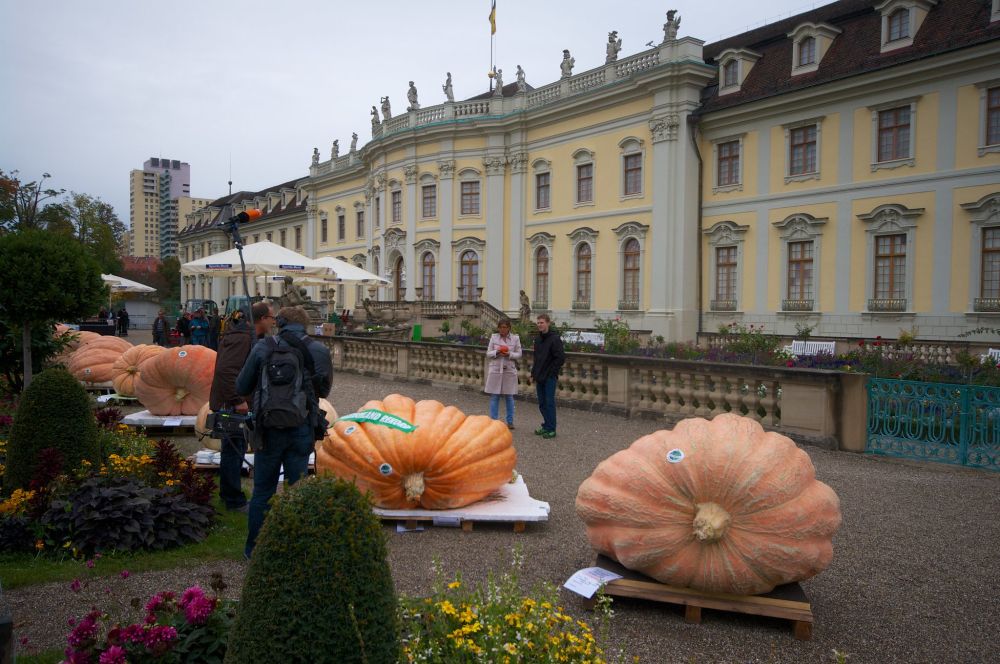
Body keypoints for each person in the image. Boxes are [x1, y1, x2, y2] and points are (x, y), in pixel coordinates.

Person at [236, 305, 333, 559]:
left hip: (267, 430)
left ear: (279, 322)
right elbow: (323, 391)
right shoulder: (318, 350)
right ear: (305, 324)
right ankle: (297, 551)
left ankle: (254, 551)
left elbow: (241, 384)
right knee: (297, 491)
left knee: (263, 491)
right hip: (301, 428)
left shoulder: (263, 347)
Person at [209, 302, 276, 513]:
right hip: (233, 405)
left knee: (234, 449)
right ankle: (232, 500)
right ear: (262, 319)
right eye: (271, 317)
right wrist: (238, 400)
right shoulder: (242, 338)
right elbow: (226, 371)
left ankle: (231, 496)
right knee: (233, 450)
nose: (273, 321)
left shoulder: (249, 337)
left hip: (238, 403)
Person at [531, 314, 564, 439]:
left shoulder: (555, 339)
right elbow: (537, 358)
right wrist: (533, 373)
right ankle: (546, 425)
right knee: (542, 403)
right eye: (538, 323)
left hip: (549, 377)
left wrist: (551, 372)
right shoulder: (538, 340)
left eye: (542, 322)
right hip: (539, 375)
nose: (540, 324)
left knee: (549, 403)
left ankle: (551, 428)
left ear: (548, 323)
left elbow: (560, 358)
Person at [485, 317, 522, 429]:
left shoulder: (515, 338)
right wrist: (497, 352)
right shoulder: (494, 337)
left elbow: (519, 354)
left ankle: (510, 421)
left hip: (509, 370)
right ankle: (493, 421)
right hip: (496, 369)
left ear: (509, 328)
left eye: (504, 327)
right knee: (494, 396)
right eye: (500, 327)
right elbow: (488, 353)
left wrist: (509, 354)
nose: (502, 329)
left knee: (509, 396)